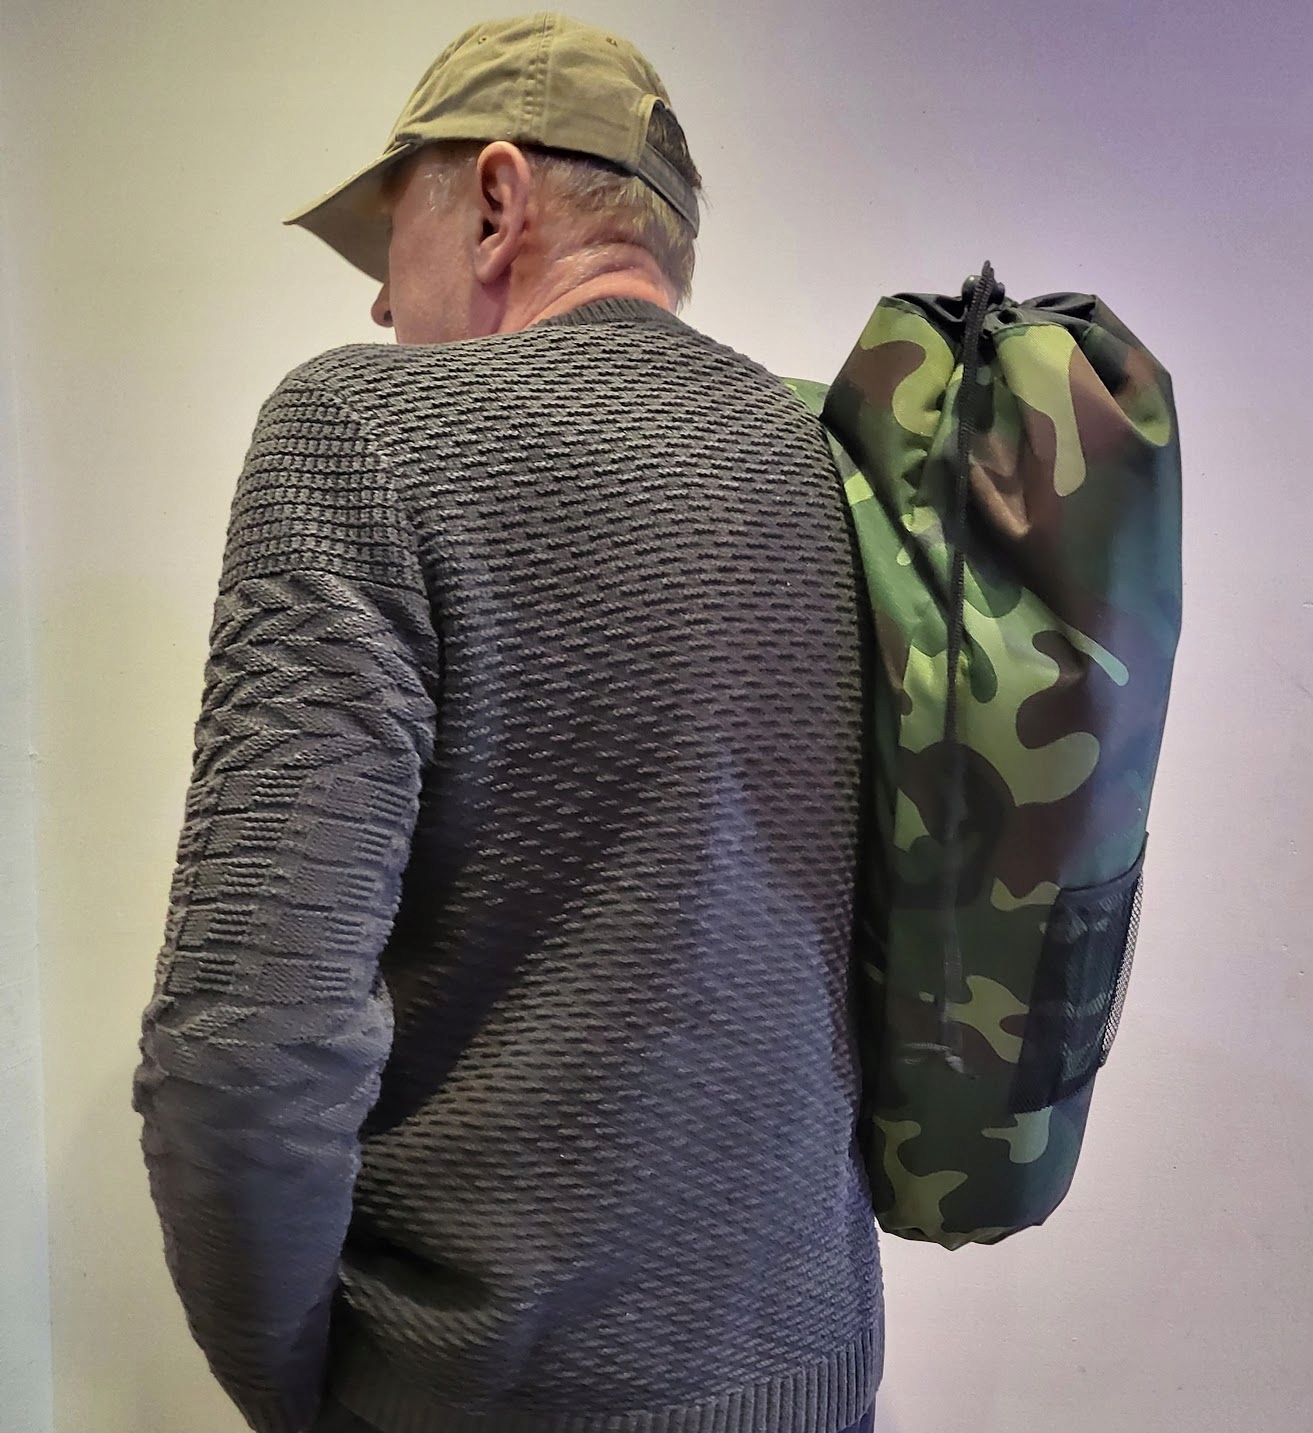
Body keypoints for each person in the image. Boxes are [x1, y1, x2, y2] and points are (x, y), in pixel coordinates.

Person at [132, 14, 882, 1433]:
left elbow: (246, 1046)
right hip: (814, 1379)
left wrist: (301, 1397)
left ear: (493, 199)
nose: (376, 306)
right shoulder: (826, 464)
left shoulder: (365, 433)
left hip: (486, 1399)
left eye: (389, 237)